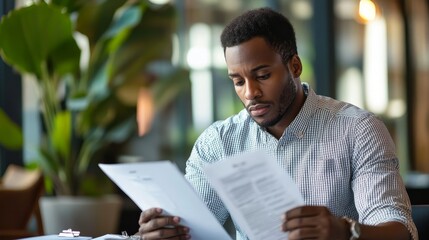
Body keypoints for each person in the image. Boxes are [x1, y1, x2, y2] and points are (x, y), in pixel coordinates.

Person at [137, 7, 417, 240]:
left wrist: (346, 231)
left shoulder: (359, 131)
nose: (250, 93)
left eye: (262, 75)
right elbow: (192, 228)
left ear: (294, 67)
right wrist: (163, 230)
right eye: (238, 81)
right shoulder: (218, 143)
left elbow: (399, 231)